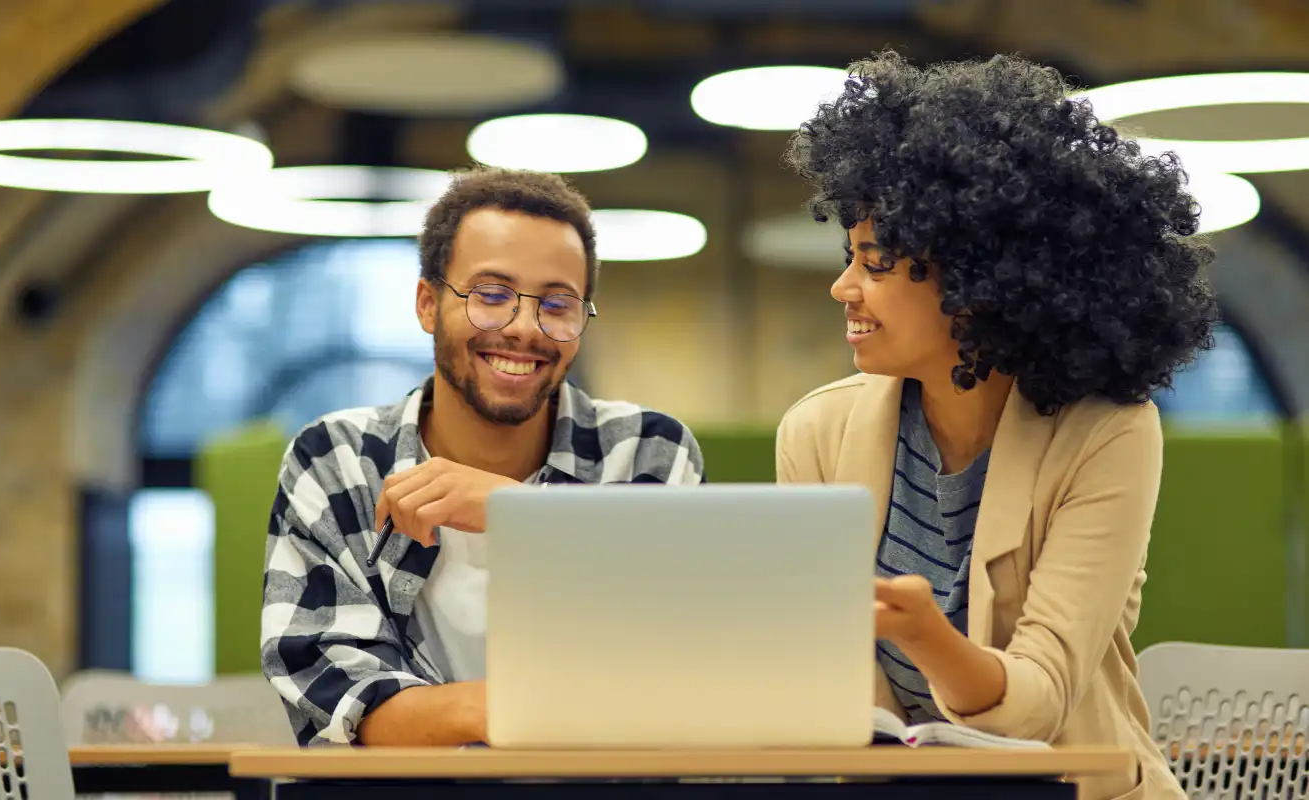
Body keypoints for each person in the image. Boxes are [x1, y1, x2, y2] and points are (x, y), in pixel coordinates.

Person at [776, 51, 1214, 800]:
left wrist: (923, 633)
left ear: (978, 283)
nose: (842, 286)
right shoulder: (817, 432)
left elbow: (1040, 701)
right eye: (849, 256)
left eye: (875, 263)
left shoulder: (1107, 433)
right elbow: (844, 693)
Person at [261, 167, 705, 747]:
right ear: (427, 303)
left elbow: (676, 660)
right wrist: (535, 709)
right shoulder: (338, 460)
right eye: (491, 295)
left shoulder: (646, 451)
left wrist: (516, 513)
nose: (524, 328)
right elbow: (341, 702)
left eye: (558, 303)